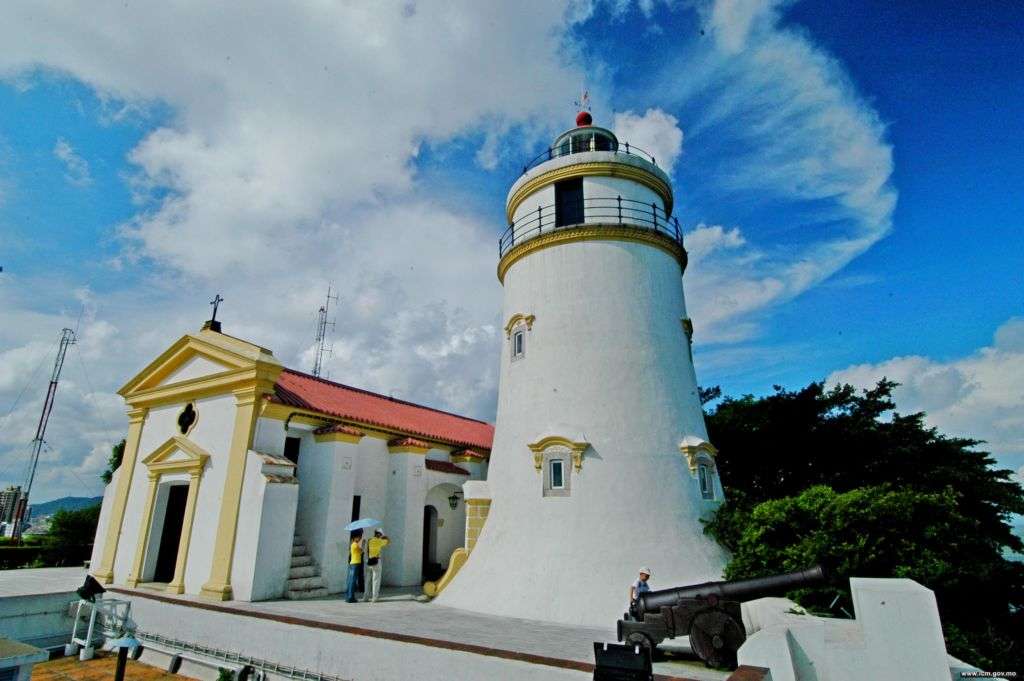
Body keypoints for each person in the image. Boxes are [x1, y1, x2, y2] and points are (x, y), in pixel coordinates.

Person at [363, 528, 390, 603]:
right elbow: (388, 541)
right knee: (376, 580)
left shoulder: (369, 540)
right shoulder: (380, 541)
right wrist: (384, 536)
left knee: (367, 580)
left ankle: (365, 597)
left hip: (368, 562)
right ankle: (374, 598)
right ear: (379, 534)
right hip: (376, 561)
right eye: (381, 534)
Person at [345, 530, 364, 603]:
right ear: (355, 538)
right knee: (353, 581)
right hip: (355, 563)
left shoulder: (353, 544)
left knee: (350, 581)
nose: (359, 538)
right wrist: (363, 544)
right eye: (358, 537)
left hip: (352, 563)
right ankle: (351, 597)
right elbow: (361, 551)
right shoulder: (355, 544)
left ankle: (348, 596)